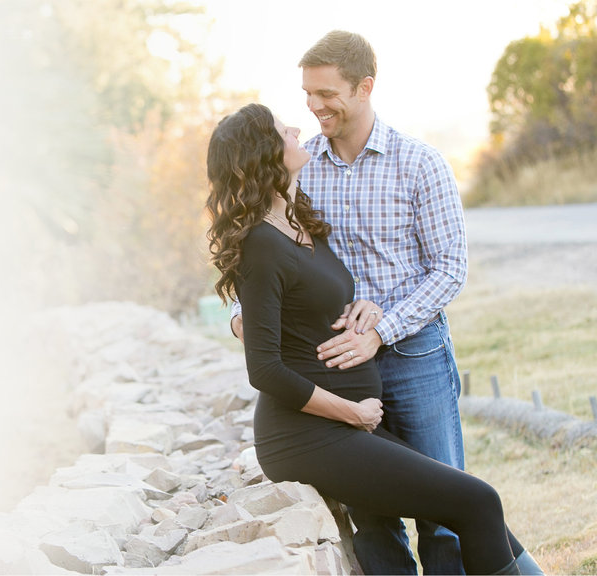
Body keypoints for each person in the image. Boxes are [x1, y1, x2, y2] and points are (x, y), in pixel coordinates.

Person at [225, 30, 532, 575]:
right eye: (307, 94)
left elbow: (449, 269)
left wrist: (382, 327)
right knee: (376, 518)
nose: (313, 106)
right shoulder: (299, 170)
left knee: (444, 511)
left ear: (365, 87)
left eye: (326, 93)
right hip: (332, 370)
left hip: (412, 357)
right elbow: (260, 255)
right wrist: (241, 317)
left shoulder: (420, 164)